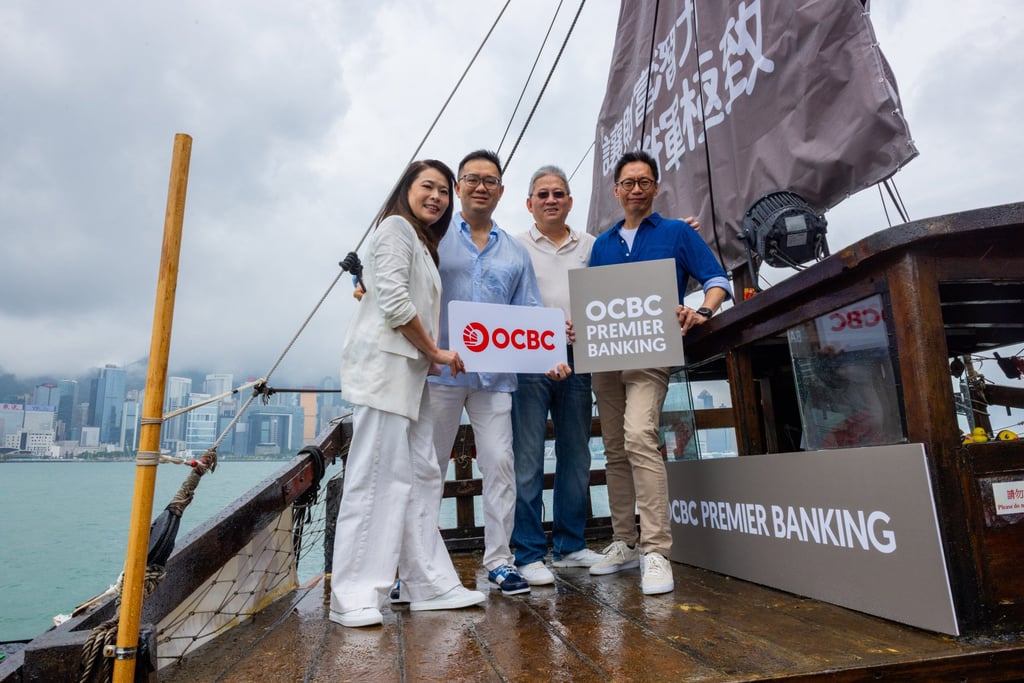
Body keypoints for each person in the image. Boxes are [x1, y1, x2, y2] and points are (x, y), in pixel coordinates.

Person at [330, 159, 486, 628]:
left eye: (443, 191)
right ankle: (353, 595)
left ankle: (427, 582)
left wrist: (429, 357)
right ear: (406, 190)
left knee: (417, 477)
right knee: (375, 479)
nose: (437, 197)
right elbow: (396, 304)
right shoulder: (396, 227)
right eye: (427, 187)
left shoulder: (421, 243)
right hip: (386, 373)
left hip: (410, 377)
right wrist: (438, 351)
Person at [587, 150, 731, 595]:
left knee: (638, 438)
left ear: (655, 188)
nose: (635, 189)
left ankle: (656, 551)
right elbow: (593, 297)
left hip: (651, 354)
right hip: (605, 357)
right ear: (616, 190)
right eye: (628, 182)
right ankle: (624, 542)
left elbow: (717, 280)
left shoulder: (675, 233)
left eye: (644, 181)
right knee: (613, 449)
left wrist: (702, 311)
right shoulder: (602, 244)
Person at [428, 149, 568, 596]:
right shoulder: (434, 237)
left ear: (502, 191)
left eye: (490, 180)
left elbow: (527, 312)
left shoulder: (514, 251)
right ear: (458, 185)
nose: (481, 186)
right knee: (429, 469)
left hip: (496, 379)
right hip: (440, 372)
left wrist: (552, 354)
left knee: (501, 465)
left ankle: (500, 561)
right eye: (472, 178)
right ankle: (417, 566)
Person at [510, 166, 604, 586]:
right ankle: (528, 552)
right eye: (542, 194)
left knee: (576, 454)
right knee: (527, 458)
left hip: (577, 357)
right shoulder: (512, 247)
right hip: (528, 361)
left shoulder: (591, 245)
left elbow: (611, 291)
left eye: (559, 193)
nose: (551, 199)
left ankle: (570, 545)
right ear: (529, 204)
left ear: (570, 201)